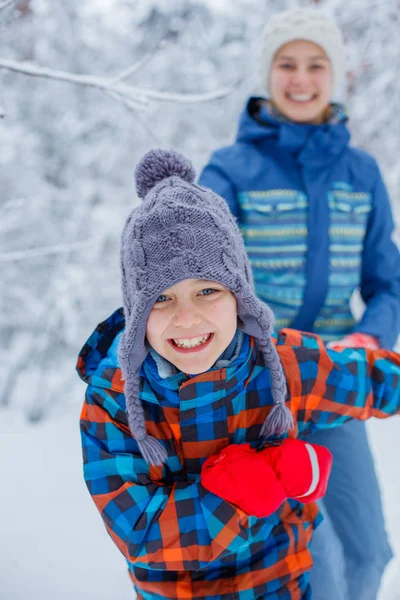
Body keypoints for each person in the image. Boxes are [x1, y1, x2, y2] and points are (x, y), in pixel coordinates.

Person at [78, 148, 400, 600]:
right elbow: (138, 532)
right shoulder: (114, 402)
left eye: (207, 290)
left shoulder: (282, 365)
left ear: (240, 296)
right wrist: (245, 491)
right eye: (162, 299)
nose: (186, 318)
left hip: (283, 587)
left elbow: (371, 380)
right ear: (137, 312)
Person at [198, 7, 400, 599]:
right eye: (287, 64)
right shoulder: (229, 170)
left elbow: (387, 283)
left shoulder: (361, 173)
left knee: (369, 553)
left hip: (335, 385)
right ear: (269, 73)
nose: (301, 78)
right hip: (263, 396)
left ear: (335, 76)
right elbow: (205, 281)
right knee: (319, 568)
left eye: (316, 64)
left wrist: (373, 336)